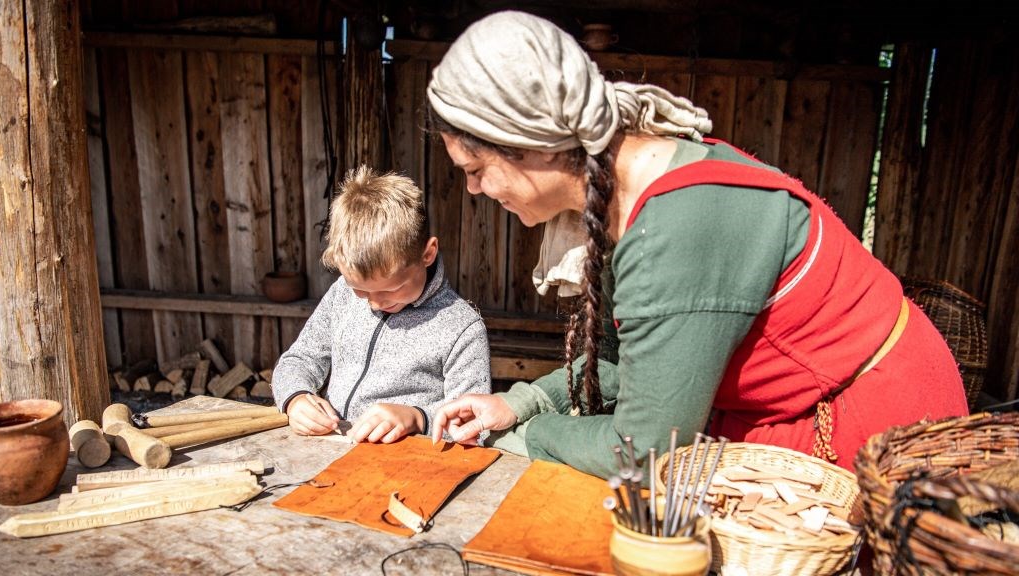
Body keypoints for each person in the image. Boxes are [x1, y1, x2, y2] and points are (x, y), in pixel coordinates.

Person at [426, 11, 967, 478]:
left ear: (532, 145)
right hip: (795, 405)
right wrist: (516, 403)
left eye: (475, 169)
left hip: (869, 429)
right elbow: (633, 364)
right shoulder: (635, 193)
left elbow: (642, 454)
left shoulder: (674, 228)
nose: (474, 189)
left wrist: (536, 432)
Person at [271, 166, 491, 444]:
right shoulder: (342, 295)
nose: (375, 303)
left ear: (428, 253)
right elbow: (299, 359)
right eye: (361, 291)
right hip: (334, 452)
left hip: (408, 468)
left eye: (391, 289)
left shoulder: (461, 327)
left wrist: (417, 418)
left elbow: (475, 425)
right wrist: (295, 397)